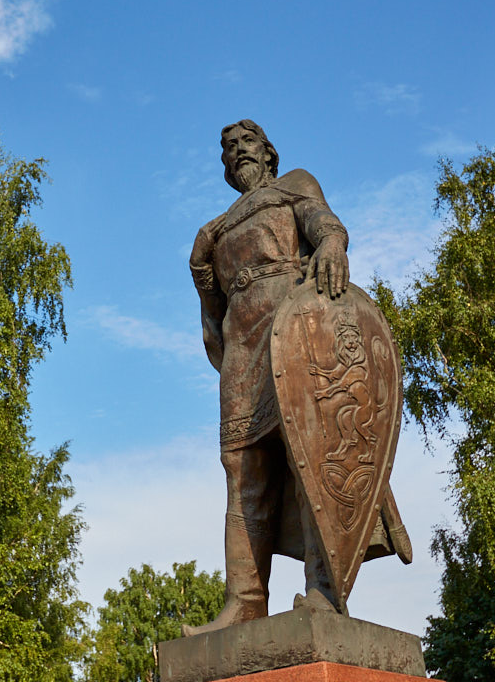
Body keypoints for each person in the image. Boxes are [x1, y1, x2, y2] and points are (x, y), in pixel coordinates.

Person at [184, 119, 405, 636]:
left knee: (312, 449)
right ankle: (244, 600)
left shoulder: (294, 186)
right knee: (241, 471)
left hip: (296, 335)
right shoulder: (213, 231)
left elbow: (324, 222)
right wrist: (200, 267)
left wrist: (331, 245)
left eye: (247, 143)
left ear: (268, 152)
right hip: (242, 349)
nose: (239, 152)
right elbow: (213, 314)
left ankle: (324, 591)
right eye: (230, 148)